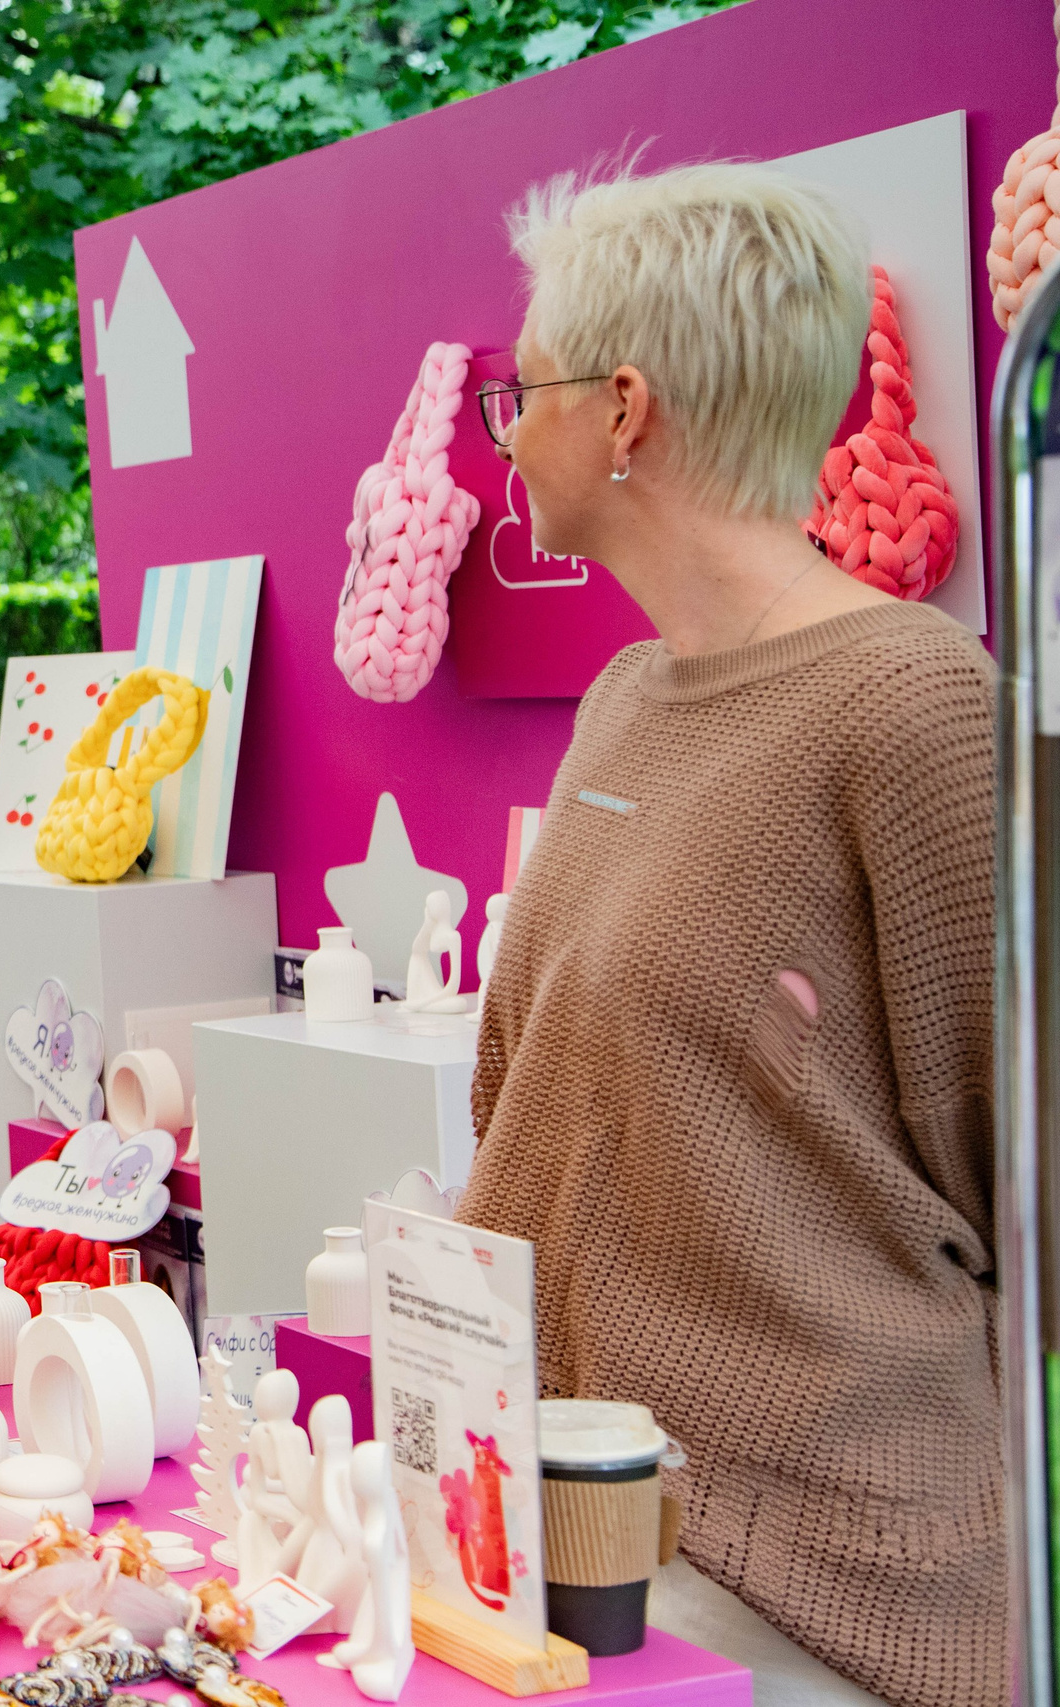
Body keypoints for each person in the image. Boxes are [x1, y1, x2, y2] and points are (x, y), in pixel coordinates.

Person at [460, 164, 995, 1707]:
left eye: (528, 389)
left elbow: (1019, 1164)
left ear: (624, 411)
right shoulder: (628, 697)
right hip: (581, 1524)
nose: (508, 428)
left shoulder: (914, 707)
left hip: (819, 1585)